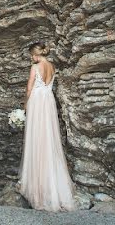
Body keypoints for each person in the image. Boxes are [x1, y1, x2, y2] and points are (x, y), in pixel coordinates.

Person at [17, 40, 78, 211]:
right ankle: (54, 187)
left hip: (37, 102)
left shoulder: (35, 68)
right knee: (49, 139)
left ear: (35, 54)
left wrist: (25, 106)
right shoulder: (52, 67)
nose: (31, 58)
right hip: (48, 102)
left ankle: (37, 190)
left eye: (31, 55)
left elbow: (29, 89)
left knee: (36, 139)